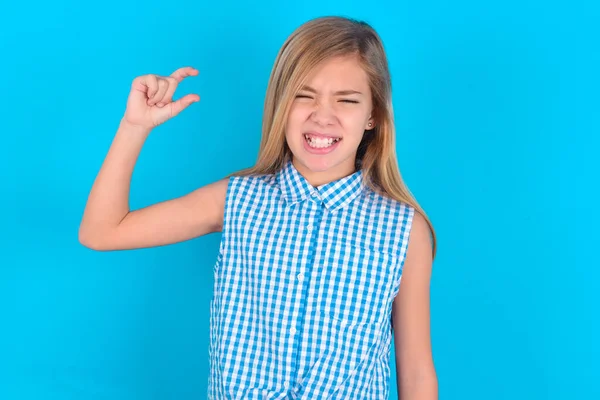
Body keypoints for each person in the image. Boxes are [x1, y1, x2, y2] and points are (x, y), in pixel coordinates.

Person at [79, 15, 438, 400]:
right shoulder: (237, 199)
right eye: (304, 94)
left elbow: (416, 373)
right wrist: (135, 126)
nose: (322, 115)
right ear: (281, 103)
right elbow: (102, 231)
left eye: (347, 100)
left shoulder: (403, 230)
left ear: (373, 115)